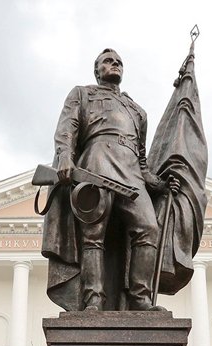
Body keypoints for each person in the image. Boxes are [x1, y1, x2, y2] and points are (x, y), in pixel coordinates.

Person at [42, 48, 176, 312]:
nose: (114, 65)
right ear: (97, 70)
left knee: (149, 228)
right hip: (95, 165)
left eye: (118, 62)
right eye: (108, 61)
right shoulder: (82, 93)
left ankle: (140, 298)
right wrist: (65, 157)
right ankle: (93, 300)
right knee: (93, 235)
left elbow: (141, 160)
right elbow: (67, 128)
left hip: (131, 176)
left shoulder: (137, 111)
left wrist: (158, 184)